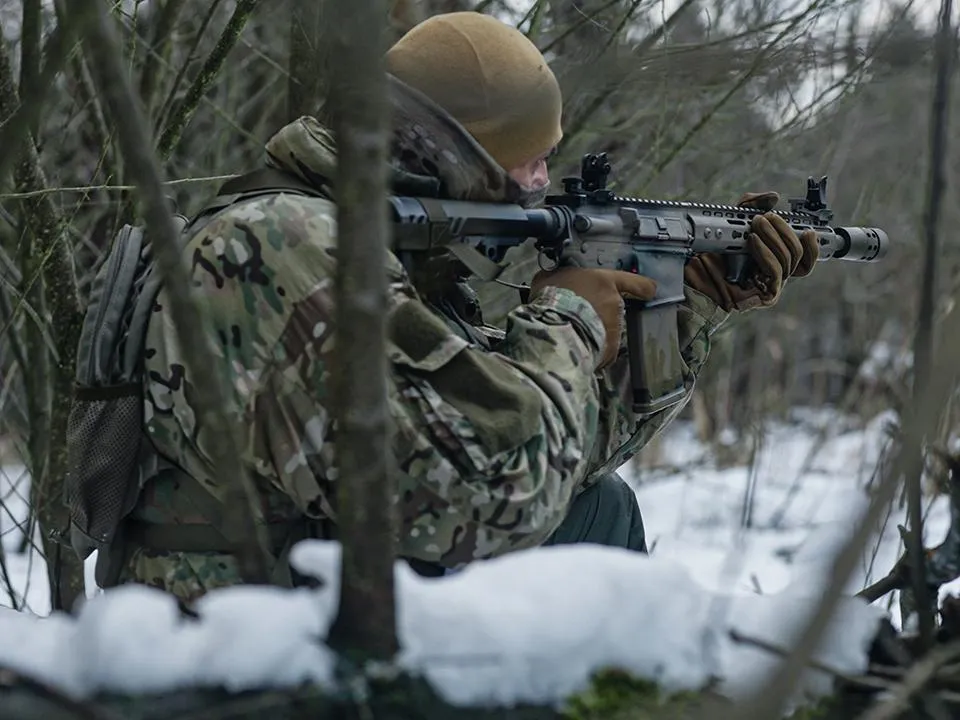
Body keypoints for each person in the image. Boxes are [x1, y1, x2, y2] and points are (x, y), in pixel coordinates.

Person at [114, 12, 818, 601]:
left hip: (333, 608)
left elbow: (558, 459)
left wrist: (684, 302)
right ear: (447, 155)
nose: (545, 181)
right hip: (244, 652)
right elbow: (494, 496)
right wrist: (567, 320)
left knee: (602, 508)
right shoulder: (279, 243)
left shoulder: (396, 259)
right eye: (526, 159)